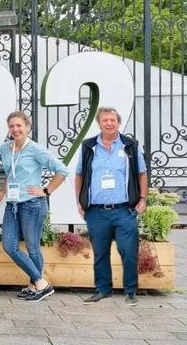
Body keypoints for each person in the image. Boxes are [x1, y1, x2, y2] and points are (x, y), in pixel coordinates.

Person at [0, 112, 69, 302]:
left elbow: (62, 170)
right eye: (11, 126)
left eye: (19, 125)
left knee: (32, 247)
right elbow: (10, 173)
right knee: (9, 245)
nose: (15, 129)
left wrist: (46, 190)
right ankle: (40, 284)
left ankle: (37, 285)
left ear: (27, 127)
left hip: (32, 204)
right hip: (13, 204)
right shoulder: (5, 148)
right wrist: (3, 191)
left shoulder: (35, 150)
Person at [75, 107, 147, 307]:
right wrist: (79, 201)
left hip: (124, 209)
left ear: (118, 122)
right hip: (96, 211)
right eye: (105, 120)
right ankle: (103, 290)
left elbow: (142, 173)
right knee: (100, 253)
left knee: (128, 250)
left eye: (112, 120)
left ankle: (130, 291)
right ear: (99, 123)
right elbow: (79, 174)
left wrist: (143, 198)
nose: (109, 123)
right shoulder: (89, 146)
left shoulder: (130, 145)